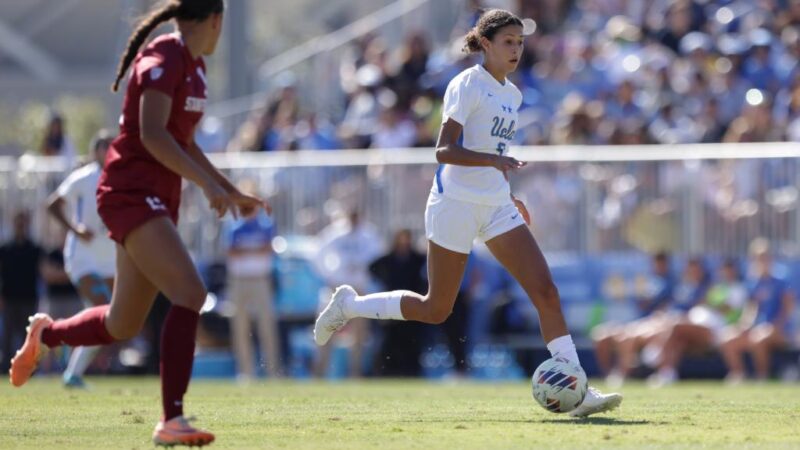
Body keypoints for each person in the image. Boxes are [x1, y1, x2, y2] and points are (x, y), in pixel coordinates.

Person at [314, 9, 621, 417]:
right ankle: (350, 305)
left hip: (495, 205)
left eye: (520, 42)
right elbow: (444, 150)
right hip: (453, 205)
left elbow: (492, 156)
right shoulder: (466, 84)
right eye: (508, 41)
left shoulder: (512, 93)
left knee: (545, 291)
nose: (515, 49)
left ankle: (578, 391)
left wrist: (506, 192)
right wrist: (493, 165)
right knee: (435, 308)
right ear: (487, 44)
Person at [8, 1, 266, 446]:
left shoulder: (194, 67)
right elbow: (152, 134)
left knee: (122, 324)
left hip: (154, 198)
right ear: (217, 20)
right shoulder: (164, 57)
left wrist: (225, 186)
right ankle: (172, 418)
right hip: (129, 194)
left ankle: (46, 334)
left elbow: (182, 141)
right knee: (191, 293)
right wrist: (207, 186)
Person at [45, 129, 116, 388]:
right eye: (106, 145)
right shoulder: (83, 177)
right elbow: (52, 204)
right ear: (96, 150)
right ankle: (55, 334)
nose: (111, 149)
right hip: (82, 258)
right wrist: (75, 229)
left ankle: (73, 373)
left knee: (107, 319)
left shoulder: (120, 176)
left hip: (110, 259)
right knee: (101, 309)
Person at [648, 258, 749, 386]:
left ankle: (655, 354)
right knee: (678, 338)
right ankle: (667, 372)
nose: (726, 273)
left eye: (729, 270)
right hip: (697, 322)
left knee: (675, 326)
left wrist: (712, 302)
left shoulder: (738, 289)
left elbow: (731, 312)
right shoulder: (716, 288)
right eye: (724, 270)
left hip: (715, 329)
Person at [223, 180, 281, 381]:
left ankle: (272, 372)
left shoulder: (265, 224)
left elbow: (268, 249)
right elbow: (231, 252)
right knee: (240, 328)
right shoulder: (234, 224)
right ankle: (246, 372)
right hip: (239, 280)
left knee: (267, 327)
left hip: (259, 279)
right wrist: (254, 250)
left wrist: (246, 250)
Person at [720, 239, 796, 383]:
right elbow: (751, 309)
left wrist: (775, 326)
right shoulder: (753, 282)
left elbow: (788, 309)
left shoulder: (781, 280)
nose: (762, 261)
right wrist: (744, 325)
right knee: (728, 338)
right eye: (758, 258)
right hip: (759, 328)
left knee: (757, 339)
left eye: (764, 257)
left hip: (781, 331)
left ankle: (762, 376)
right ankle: (738, 374)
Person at [0, 211, 43, 373]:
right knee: (8, 337)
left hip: (29, 299)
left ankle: (28, 368)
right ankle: (6, 368)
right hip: (9, 298)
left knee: (28, 337)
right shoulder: (5, 249)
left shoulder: (34, 248)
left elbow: (42, 272)